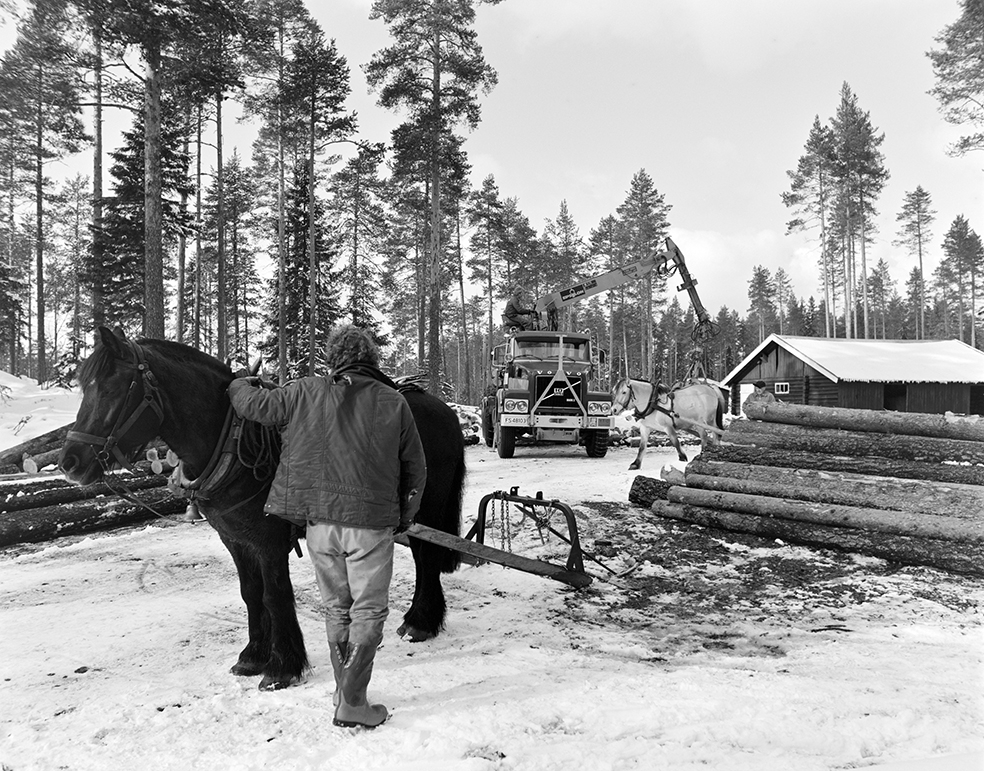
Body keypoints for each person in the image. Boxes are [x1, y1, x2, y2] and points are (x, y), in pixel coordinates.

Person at [228, 325, 427, 729]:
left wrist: (238, 381)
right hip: (370, 525)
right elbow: (415, 467)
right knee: (368, 609)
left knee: (337, 606)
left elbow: (253, 405)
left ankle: (343, 693)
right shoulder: (393, 401)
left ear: (333, 359)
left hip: (320, 525)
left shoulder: (303, 391)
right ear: (371, 359)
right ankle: (352, 702)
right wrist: (405, 516)